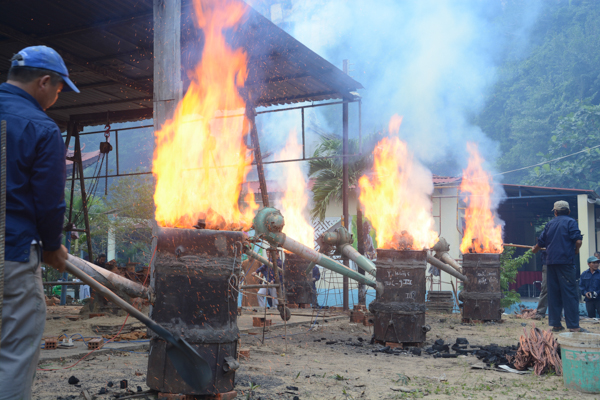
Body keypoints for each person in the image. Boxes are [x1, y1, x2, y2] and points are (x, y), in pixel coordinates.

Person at [0, 45, 78, 399]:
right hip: (12, 252)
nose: (56, 98)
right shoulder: (41, 127)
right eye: (59, 90)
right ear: (44, 82)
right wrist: (51, 246)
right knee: (15, 349)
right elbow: (49, 202)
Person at [532, 200, 587, 333]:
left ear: (555, 212)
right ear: (568, 211)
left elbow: (541, 242)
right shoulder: (571, 222)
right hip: (566, 262)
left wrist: (535, 249)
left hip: (550, 262)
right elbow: (578, 241)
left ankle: (556, 324)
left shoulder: (550, 224)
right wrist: (576, 250)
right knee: (569, 293)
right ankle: (573, 326)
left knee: (553, 293)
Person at [533, 250, 548, 320]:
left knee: (559, 290)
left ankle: (559, 315)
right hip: (547, 263)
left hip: (560, 263)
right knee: (545, 289)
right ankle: (540, 313)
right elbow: (540, 247)